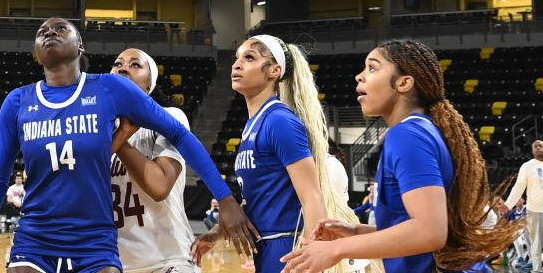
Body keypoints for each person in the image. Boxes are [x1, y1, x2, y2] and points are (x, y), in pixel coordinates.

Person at [0, 17, 256, 273]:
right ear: (35, 53)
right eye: (42, 30)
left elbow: (178, 142)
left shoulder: (109, 89)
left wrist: (226, 198)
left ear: (80, 46)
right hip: (39, 237)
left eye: (61, 28)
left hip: (105, 243)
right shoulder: (17, 102)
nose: (50, 31)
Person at [281, 39, 523, 273]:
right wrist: (356, 231)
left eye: (372, 68)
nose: (360, 76)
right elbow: (419, 232)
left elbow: (430, 232)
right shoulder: (421, 130)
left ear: (404, 83)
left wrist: (338, 249)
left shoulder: (407, 135)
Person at [194, 35, 358, 273]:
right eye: (236, 58)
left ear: (274, 70)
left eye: (249, 58)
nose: (236, 64)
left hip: (286, 244)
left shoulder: (279, 121)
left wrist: (311, 256)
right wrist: (217, 232)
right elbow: (257, 200)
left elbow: (313, 198)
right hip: (266, 247)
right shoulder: (253, 124)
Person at [108, 48, 199, 273]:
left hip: (168, 260)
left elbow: (159, 186)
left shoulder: (170, 117)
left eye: (135, 64)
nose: (123, 68)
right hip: (113, 263)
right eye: (118, 63)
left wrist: (120, 140)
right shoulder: (96, 132)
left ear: (149, 85)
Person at [502, 139, 543, 273]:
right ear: (532, 150)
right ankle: (537, 269)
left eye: (541, 146)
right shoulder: (527, 166)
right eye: (536, 146)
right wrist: (507, 205)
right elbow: (518, 188)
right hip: (534, 209)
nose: (538, 148)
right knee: (535, 242)